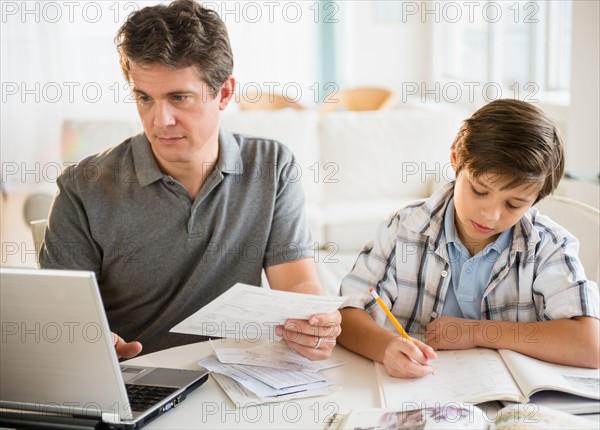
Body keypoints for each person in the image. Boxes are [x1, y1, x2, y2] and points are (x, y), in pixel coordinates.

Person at [40, 0, 340, 359]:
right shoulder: (82, 187)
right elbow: (60, 322)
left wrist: (314, 323)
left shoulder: (271, 165)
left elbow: (296, 281)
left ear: (224, 93)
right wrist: (92, 342)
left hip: (237, 373)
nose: (159, 119)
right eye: (144, 98)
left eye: (178, 97)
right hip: (136, 382)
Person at [337, 99, 599, 378]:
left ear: (536, 199)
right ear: (455, 160)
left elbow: (590, 345)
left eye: (514, 205)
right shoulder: (404, 228)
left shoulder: (549, 245)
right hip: (415, 391)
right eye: (479, 191)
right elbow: (346, 313)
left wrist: (476, 332)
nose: (490, 215)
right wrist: (386, 347)